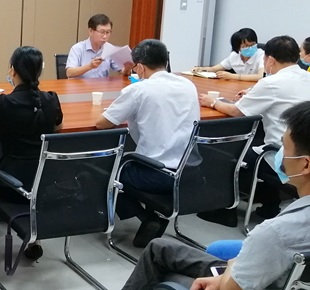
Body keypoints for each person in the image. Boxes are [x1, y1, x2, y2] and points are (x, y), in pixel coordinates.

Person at [66, 100, 310, 290]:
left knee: (160, 282)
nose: (281, 155)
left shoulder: (276, 234)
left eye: (285, 147)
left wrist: (232, 268)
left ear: (305, 164)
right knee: (161, 249)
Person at [0, 47, 63, 257]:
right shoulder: (51, 99)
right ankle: (35, 241)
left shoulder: (5, 103)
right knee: (28, 184)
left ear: (13, 71)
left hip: (12, 183)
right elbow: (59, 126)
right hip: (45, 181)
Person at [97, 39, 200, 247]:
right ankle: (154, 213)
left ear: (141, 67)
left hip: (156, 174)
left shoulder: (139, 90)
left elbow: (102, 123)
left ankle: (147, 217)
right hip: (190, 170)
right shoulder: (188, 85)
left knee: (102, 168)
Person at [199, 36, 310, 222]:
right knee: (258, 143)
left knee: (230, 153)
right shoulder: (306, 76)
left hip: (283, 153)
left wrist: (213, 102)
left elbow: (237, 111)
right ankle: (270, 205)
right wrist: (253, 93)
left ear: (270, 60)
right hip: (303, 150)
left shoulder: (271, 83)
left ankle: (226, 211)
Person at [66, 14, 133, 79]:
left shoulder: (110, 48)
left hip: (102, 86)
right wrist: (90, 66)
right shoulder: (78, 48)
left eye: (108, 32)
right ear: (91, 31)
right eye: (102, 32)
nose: (105, 36)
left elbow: (122, 72)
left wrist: (127, 68)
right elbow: (69, 73)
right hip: (80, 86)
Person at [192, 27, 265, 82]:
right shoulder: (234, 56)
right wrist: (201, 69)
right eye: (245, 46)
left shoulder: (261, 55)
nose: (250, 48)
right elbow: (213, 69)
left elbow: (260, 76)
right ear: (237, 48)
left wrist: (232, 76)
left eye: (252, 44)